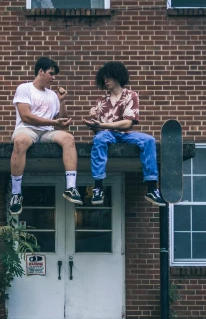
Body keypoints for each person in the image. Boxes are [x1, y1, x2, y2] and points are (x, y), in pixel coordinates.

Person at [82, 61, 166, 206]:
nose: (106, 81)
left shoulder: (131, 96)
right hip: (106, 134)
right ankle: (98, 187)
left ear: (118, 77)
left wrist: (102, 124)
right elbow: (98, 131)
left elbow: (127, 123)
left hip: (126, 133)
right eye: (104, 78)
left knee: (149, 140)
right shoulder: (101, 101)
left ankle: (152, 188)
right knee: (99, 139)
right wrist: (94, 121)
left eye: (109, 77)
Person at [9, 57, 81, 215]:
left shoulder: (53, 95)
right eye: (51, 73)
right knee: (20, 141)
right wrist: (54, 121)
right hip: (27, 129)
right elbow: (26, 116)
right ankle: (16, 194)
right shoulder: (24, 88)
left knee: (69, 138)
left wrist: (62, 102)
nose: (53, 78)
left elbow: (64, 123)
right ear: (41, 72)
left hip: (47, 132)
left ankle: (71, 188)